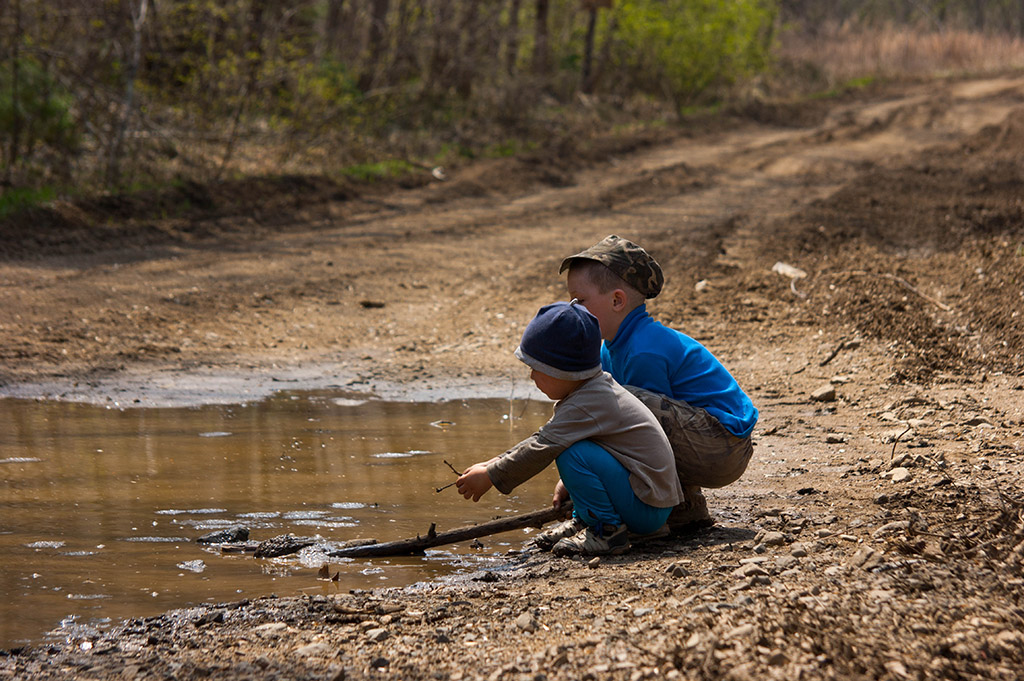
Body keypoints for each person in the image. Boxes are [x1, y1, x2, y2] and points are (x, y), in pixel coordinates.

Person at [559, 235, 758, 533]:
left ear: (616, 300)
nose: (572, 309)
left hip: (722, 445)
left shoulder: (644, 350)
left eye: (580, 301)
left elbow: (643, 437)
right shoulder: (610, 348)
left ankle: (646, 513)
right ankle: (686, 509)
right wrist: (578, 480)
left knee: (617, 404)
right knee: (610, 402)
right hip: (705, 440)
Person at [455, 300, 682, 556]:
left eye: (536, 369)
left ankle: (605, 532)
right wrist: (491, 463)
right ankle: (587, 521)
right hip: (650, 501)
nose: (531, 376)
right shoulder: (592, 391)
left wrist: (491, 476)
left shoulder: (588, 402)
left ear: (562, 371)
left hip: (646, 506)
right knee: (569, 445)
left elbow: (543, 445)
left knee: (568, 450)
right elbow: (545, 437)